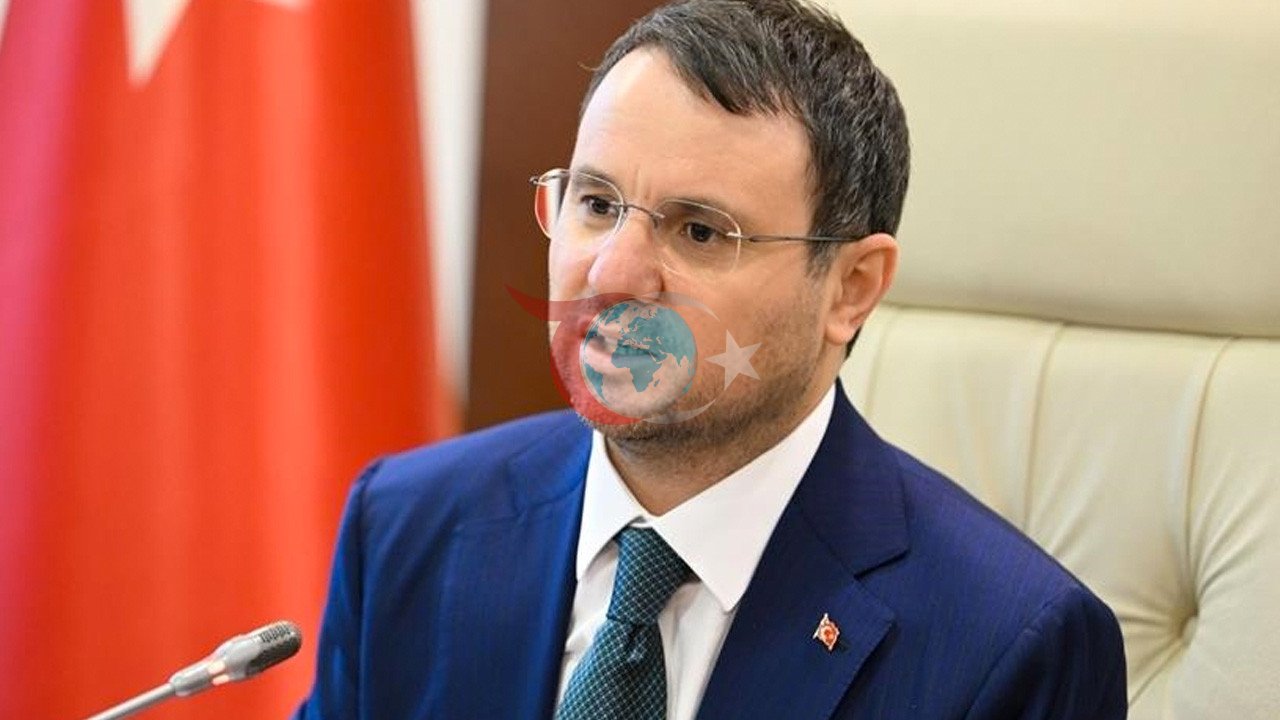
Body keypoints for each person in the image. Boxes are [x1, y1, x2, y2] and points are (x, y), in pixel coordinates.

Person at [294, 1, 1127, 717]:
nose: (612, 274)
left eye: (699, 230)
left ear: (850, 289)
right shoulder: (407, 527)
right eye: (597, 203)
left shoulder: (1012, 645)